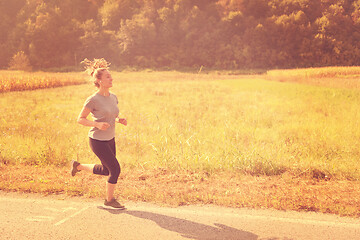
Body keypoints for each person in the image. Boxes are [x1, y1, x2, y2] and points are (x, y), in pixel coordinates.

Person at [70, 58, 127, 209]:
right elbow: (80, 119)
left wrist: (119, 119)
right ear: (99, 81)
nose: (111, 78)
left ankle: (78, 166)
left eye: (111, 76)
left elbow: (111, 114)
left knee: (106, 170)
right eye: (108, 76)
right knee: (115, 169)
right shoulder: (92, 100)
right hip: (97, 140)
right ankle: (109, 200)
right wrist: (96, 124)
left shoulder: (113, 96)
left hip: (110, 138)